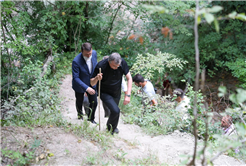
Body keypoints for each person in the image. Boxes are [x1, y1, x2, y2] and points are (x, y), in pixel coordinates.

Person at [90, 52, 132, 135]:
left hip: (116, 91)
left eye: (118, 66)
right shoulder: (101, 66)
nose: (116, 68)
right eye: (114, 66)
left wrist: (128, 94)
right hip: (104, 92)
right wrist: (97, 78)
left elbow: (129, 78)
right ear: (109, 61)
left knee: (114, 111)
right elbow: (92, 83)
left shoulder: (122, 63)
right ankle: (111, 130)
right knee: (116, 111)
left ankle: (112, 127)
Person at [72, 42, 98, 124]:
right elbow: (76, 78)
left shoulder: (94, 54)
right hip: (80, 84)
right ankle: (80, 115)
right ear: (82, 51)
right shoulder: (76, 61)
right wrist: (86, 88)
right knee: (79, 100)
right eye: (86, 54)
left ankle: (91, 118)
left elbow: (96, 67)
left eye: (90, 53)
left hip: (92, 82)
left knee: (94, 102)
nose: (89, 56)